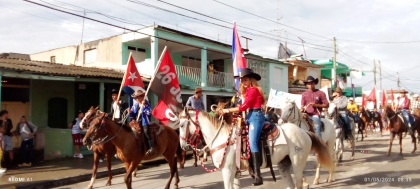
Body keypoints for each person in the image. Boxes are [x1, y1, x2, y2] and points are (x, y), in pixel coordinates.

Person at [220, 68, 265, 186]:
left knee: (252, 142)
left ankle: (257, 175)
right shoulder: (249, 91)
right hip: (250, 116)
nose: (243, 83)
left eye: (246, 80)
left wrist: (227, 110)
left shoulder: (253, 90)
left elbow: (243, 107)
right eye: (242, 80)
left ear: (251, 80)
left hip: (256, 116)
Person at [128, 89, 155, 155]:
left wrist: (144, 107)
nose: (137, 99)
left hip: (144, 121)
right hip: (136, 121)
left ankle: (151, 147)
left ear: (142, 97)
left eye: (138, 97)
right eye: (136, 97)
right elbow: (133, 114)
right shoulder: (135, 105)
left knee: (146, 132)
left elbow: (148, 113)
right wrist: (130, 112)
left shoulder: (147, 104)